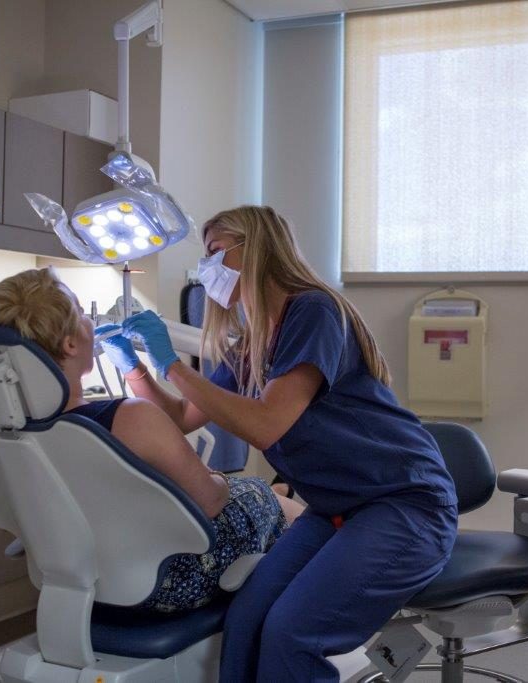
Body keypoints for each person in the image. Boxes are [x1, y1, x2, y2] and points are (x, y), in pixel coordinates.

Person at [102, 206, 459, 681]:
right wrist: (134, 366)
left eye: (214, 252)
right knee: (246, 620)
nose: (206, 268)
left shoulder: (313, 310)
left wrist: (174, 365)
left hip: (402, 503)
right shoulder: (250, 347)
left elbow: (269, 423)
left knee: (295, 633)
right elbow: (182, 417)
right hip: (336, 507)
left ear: (256, 248)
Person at [0, 267, 302, 613]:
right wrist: (212, 478)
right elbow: (211, 502)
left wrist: (134, 369)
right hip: (171, 579)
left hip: (85, 579)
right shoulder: (130, 418)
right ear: (70, 342)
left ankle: (278, 495)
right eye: (82, 313)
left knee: (250, 491)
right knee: (259, 494)